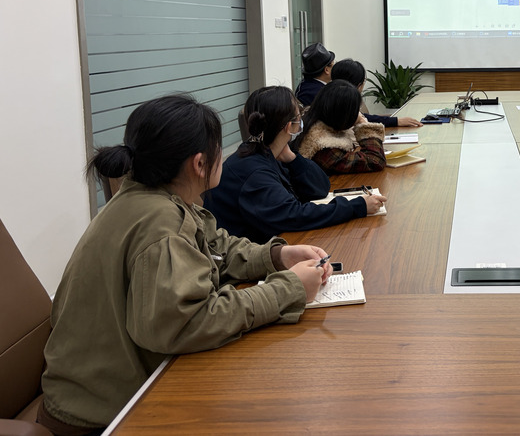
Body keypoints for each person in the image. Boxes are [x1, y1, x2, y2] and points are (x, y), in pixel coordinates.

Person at [38, 95, 333, 434]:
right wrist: (289, 289)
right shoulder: (162, 226)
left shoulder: (156, 198)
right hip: (102, 416)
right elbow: (189, 322)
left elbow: (216, 247)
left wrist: (277, 256)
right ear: (199, 163)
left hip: (105, 388)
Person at [204, 86, 386, 243]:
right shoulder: (253, 171)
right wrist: (356, 206)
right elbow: (294, 215)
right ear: (288, 126)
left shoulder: (267, 152)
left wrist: (293, 159)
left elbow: (320, 189)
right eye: (299, 117)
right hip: (242, 261)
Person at [297, 79, 387, 174]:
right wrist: (364, 124)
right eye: (356, 110)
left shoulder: (315, 121)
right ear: (344, 114)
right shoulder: (323, 146)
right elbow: (375, 161)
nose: (358, 114)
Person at [331, 58, 422, 127]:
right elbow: (362, 119)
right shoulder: (344, 105)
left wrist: (395, 120)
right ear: (359, 85)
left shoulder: (330, 97)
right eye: (364, 81)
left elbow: (364, 117)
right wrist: (396, 121)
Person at [294, 42, 335, 106]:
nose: (335, 68)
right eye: (333, 65)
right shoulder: (323, 94)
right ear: (326, 70)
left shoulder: (304, 85)